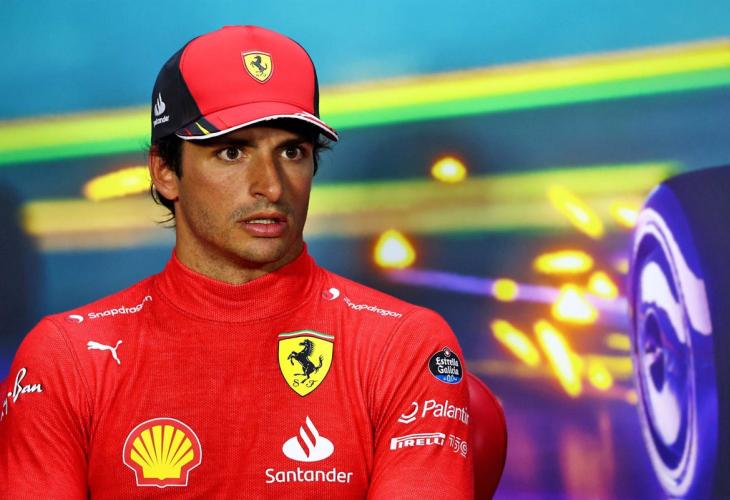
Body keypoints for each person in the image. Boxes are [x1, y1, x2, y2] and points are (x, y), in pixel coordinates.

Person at [0, 26, 473, 498]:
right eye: (232, 151)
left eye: (292, 151)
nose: (272, 185)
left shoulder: (403, 345)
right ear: (164, 171)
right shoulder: (66, 357)